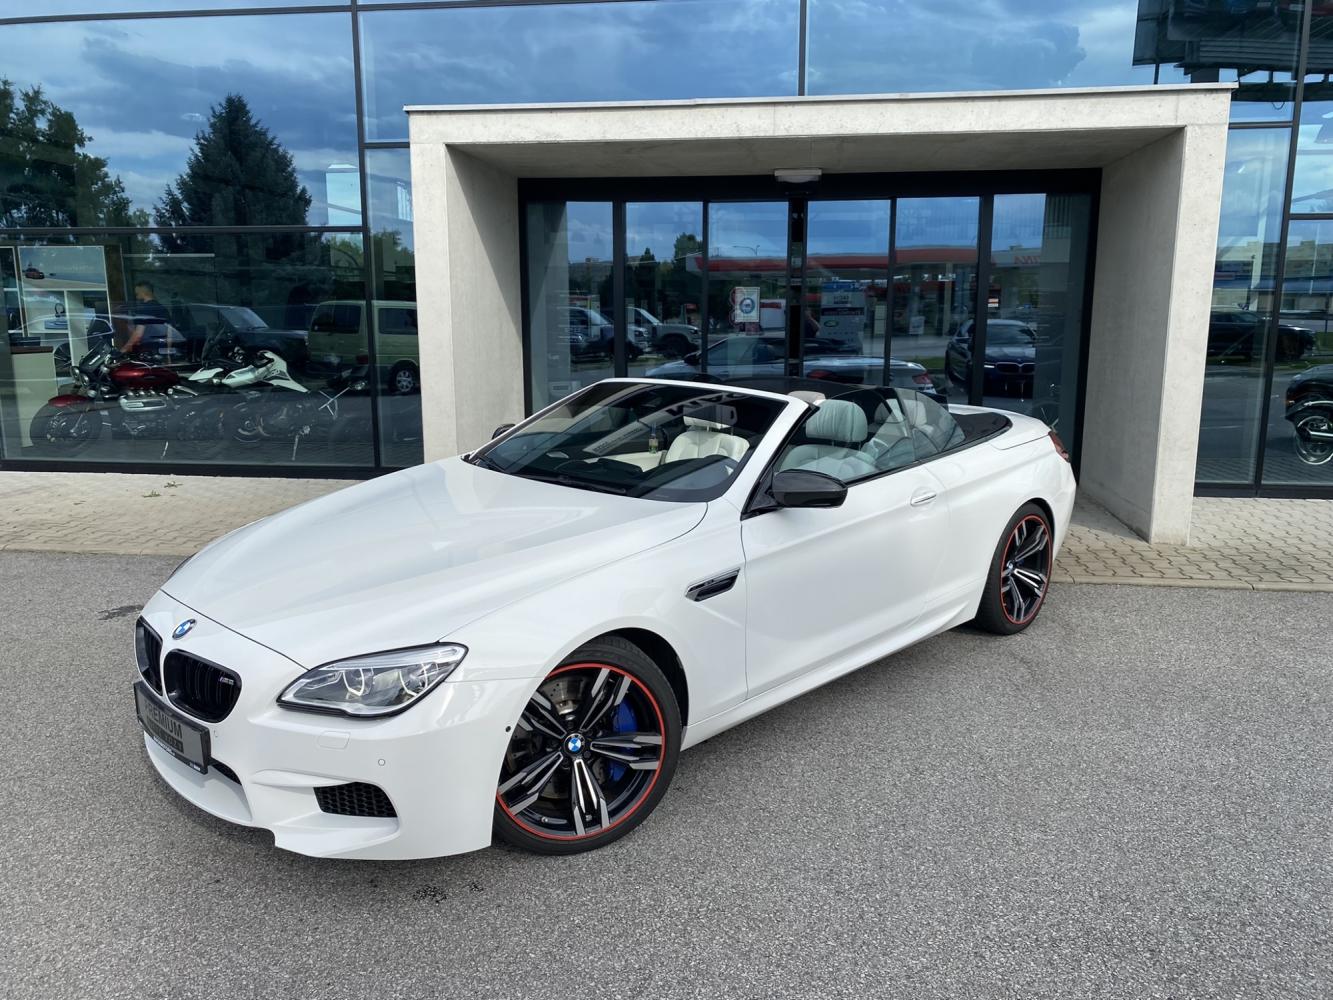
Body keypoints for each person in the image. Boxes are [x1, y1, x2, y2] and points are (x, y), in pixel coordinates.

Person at [121, 280, 170, 354]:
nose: (136, 297)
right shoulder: (163, 309)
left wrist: (123, 350)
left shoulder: (144, 309)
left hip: (148, 352)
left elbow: (138, 335)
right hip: (162, 351)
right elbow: (169, 333)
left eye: (137, 294)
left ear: (143, 293)